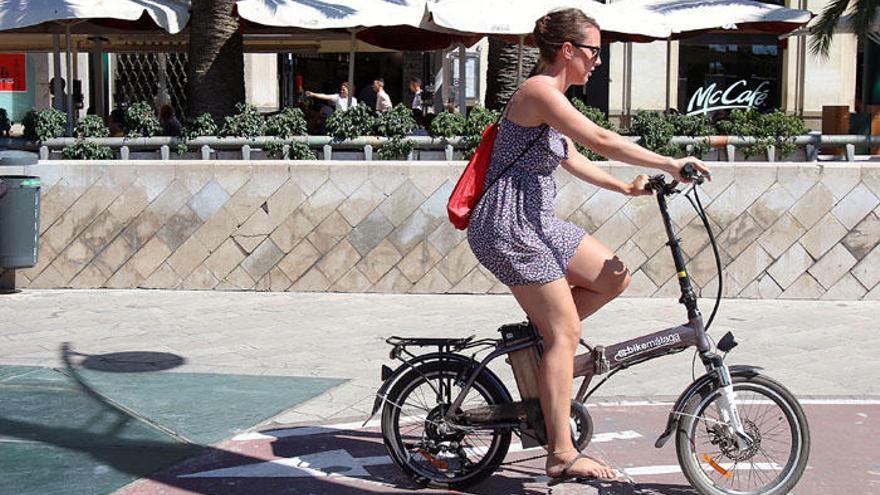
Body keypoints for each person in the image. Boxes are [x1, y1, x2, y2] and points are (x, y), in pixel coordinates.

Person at [465, 8, 711, 485]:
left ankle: (545, 347)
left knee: (612, 276)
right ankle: (560, 451)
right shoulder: (538, 91)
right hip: (508, 224)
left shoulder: (553, 97)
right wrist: (670, 161)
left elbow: (573, 156)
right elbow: (600, 138)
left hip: (537, 219)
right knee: (565, 333)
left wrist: (626, 188)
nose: (599, 61)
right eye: (595, 51)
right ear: (568, 51)